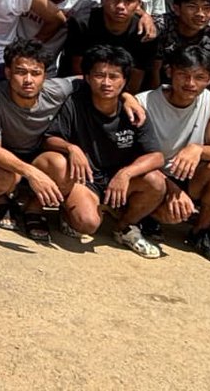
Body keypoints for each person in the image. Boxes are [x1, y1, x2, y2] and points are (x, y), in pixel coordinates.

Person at [42, 45, 167, 258]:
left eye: (114, 76)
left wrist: (126, 173)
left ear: (125, 81)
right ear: (88, 78)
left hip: (118, 180)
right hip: (85, 179)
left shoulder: (133, 111)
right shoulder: (74, 103)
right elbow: (49, 139)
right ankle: (68, 211)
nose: (106, 83)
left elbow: (157, 156)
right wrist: (71, 148)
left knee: (156, 181)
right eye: (99, 75)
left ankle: (125, 227)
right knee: (87, 223)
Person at [136, 47, 210, 262]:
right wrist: (169, 188)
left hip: (186, 174)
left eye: (200, 77)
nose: (191, 84)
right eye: (183, 75)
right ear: (169, 72)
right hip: (153, 176)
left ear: (209, 79)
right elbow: (133, 156)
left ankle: (200, 232)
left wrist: (196, 148)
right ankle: (146, 215)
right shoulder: (144, 102)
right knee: (170, 215)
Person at [0, 40, 80, 242]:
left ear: (45, 75)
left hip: (39, 155)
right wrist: (31, 173)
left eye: (36, 73)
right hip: (6, 156)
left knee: (62, 166)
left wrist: (126, 98)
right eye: (20, 72)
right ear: (8, 72)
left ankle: (34, 208)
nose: (28, 80)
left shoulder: (56, 90)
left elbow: (92, 81)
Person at [64, 0, 157, 93]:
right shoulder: (82, 22)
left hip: (123, 92)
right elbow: (78, 70)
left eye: (128, 1)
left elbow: (136, 78)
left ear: (138, 4)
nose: (120, 6)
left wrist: (125, 97)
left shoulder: (144, 32)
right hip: (83, 86)